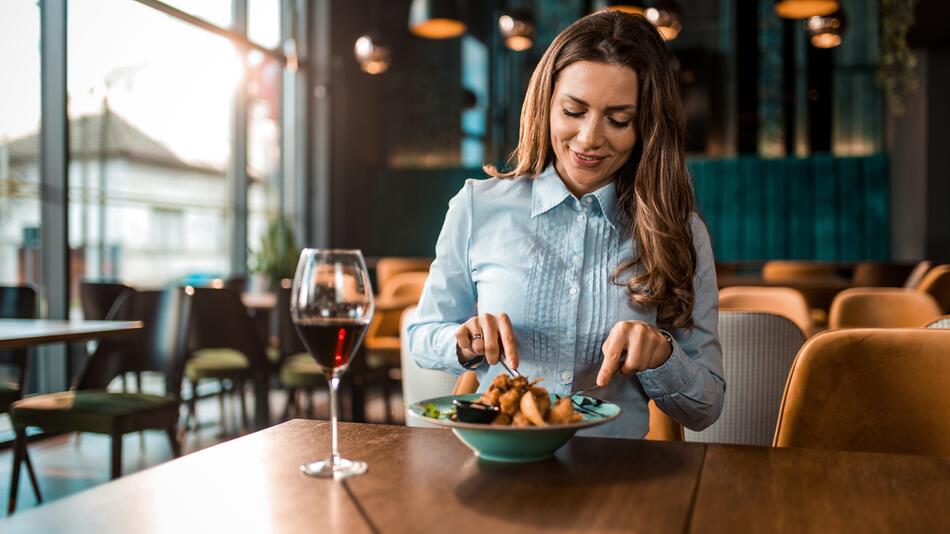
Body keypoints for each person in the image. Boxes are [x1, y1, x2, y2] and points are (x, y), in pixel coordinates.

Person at [407, 9, 724, 438]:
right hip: (502, 469)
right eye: (573, 111)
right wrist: (462, 342)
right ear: (547, 104)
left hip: (615, 479)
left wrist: (663, 356)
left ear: (647, 127)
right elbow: (422, 335)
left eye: (618, 120)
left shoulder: (679, 231)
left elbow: (706, 407)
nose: (590, 137)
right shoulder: (477, 205)